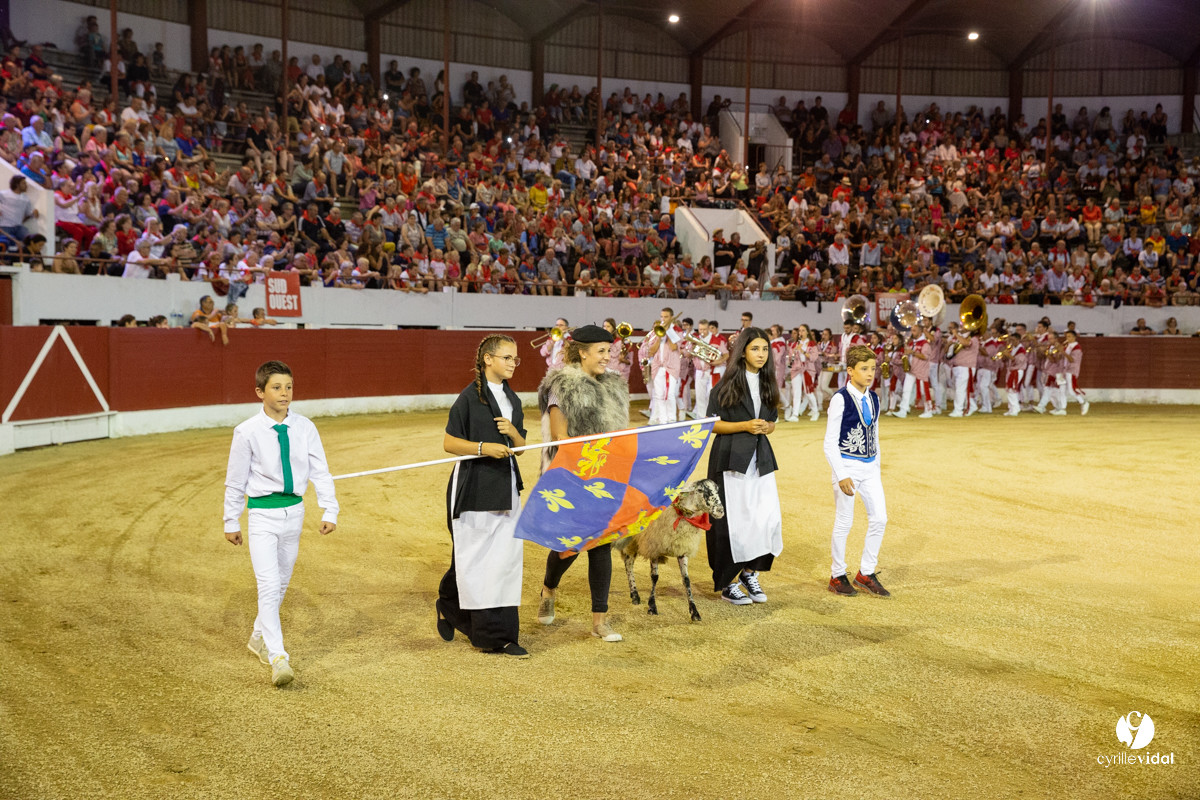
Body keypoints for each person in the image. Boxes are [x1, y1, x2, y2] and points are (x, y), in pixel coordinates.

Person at [223, 361, 339, 686]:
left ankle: (258, 638)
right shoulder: (246, 432)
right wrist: (231, 519)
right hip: (262, 515)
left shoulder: (305, 427)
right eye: (276, 387)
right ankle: (278, 657)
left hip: (295, 513)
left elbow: (320, 471)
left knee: (282, 583)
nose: (285, 393)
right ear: (260, 392)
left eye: (288, 386)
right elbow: (235, 481)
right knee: (270, 585)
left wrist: (330, 509)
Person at [536, 324, 630, 643]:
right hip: (573, 474)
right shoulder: (563, 385)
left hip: (606, 475)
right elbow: (560, 435)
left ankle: (599, 621)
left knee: (602, 546)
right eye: (601, 351)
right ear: (582, 352)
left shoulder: (614, 386)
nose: (607, 357)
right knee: (569, 547)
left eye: (609, 351)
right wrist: (589, 456)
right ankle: (549, 589)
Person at [438, 334, 529, 658]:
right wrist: (482, 448)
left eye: (515, 359)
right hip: (474, 487)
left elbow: (520, 446)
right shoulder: (468, 398)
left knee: (503, 561)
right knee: (476, 559)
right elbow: (449, 442)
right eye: (507, 357)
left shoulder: (513, 401)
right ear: (488, 359)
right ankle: (487, 632)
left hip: (505, 487)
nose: (513, 364)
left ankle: (498, 632)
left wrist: (513, 433)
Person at [705, 327, 783, 606]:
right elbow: (712, 424)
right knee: (731, 524)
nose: (761, 354)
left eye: (764, 349)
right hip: (729, 460)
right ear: (742, 352)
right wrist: (745, 426)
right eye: (755, 349)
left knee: (766, 519)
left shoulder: (768, 383)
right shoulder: (725, 385)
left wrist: (768, 427)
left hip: (760, 459)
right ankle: (727, 582)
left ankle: (750, 573)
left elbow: (772, 421)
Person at [824, 345, 890, 598]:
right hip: (848, 466)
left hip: (869, 466)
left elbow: (874, 434)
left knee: (880, 518)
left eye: (872, 368)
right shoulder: (840, 398)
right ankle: (837, 574)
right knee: (845, 521)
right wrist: (840, 474)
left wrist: (877, 467)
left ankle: (866, 572)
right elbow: (830, 442)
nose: (870, 373)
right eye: (864, 369)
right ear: (850, 371)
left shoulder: (874, 398)